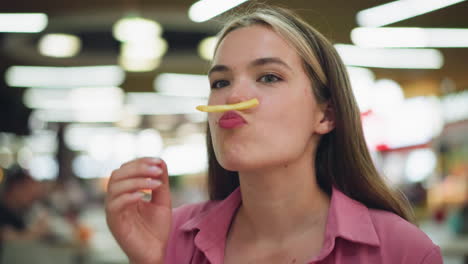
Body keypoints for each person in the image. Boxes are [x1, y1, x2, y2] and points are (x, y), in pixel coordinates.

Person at [105, 5, 443, 264]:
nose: (232, 97)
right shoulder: (171, 236)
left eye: (268, 77)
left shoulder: (403, 251)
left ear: (326, 115)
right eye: (220, 82)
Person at [0, 165, 49, 262]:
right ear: (16, 188)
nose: (33, 197)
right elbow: (6, 238)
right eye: (29, 190)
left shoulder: (18, 212)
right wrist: (36, 231)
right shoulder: (2, 211)